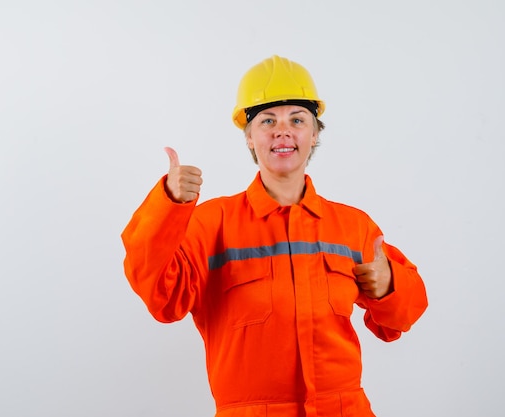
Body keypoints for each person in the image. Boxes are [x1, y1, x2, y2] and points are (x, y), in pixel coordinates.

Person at [121, 55, 428, 417]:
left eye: (297, 120)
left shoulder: (352, 227)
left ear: (314, 135)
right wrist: (168, 205)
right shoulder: (213, 224)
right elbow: (162, 297)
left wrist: (389, 284)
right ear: (250, 138)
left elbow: (402, 318)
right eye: (268, 121)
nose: (283, 131)